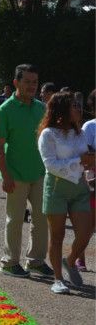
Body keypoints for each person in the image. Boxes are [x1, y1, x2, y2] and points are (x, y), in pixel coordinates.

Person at [0, 64, 53, 279]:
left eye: (34, 82)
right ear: (16, 83)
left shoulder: (41, 108)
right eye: (27, 82)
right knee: (15, 219)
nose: (31, 86)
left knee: (41, 219)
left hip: (39, 173)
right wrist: (5, 175)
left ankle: (35, 261)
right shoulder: (4, 110)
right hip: (15, 175)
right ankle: (9, 263)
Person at [38, 92, 94, 293]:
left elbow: (83, 157)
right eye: (74, 106)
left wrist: (90, 159)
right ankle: (58, 279)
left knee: (86, 232)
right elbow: (50, 165)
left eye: (78, 106)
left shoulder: (79, 132)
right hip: (56, 187)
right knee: (58, 235)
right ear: (62, 110)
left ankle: (69, 261)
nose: (78, 109)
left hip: (79, 186)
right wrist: (80, 161)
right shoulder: (48, 134)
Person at [77, 89, 96, 271]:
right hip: (93, 181)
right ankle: (79, 257)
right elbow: (86, 154)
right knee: (88, 225)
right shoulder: (89, 127)